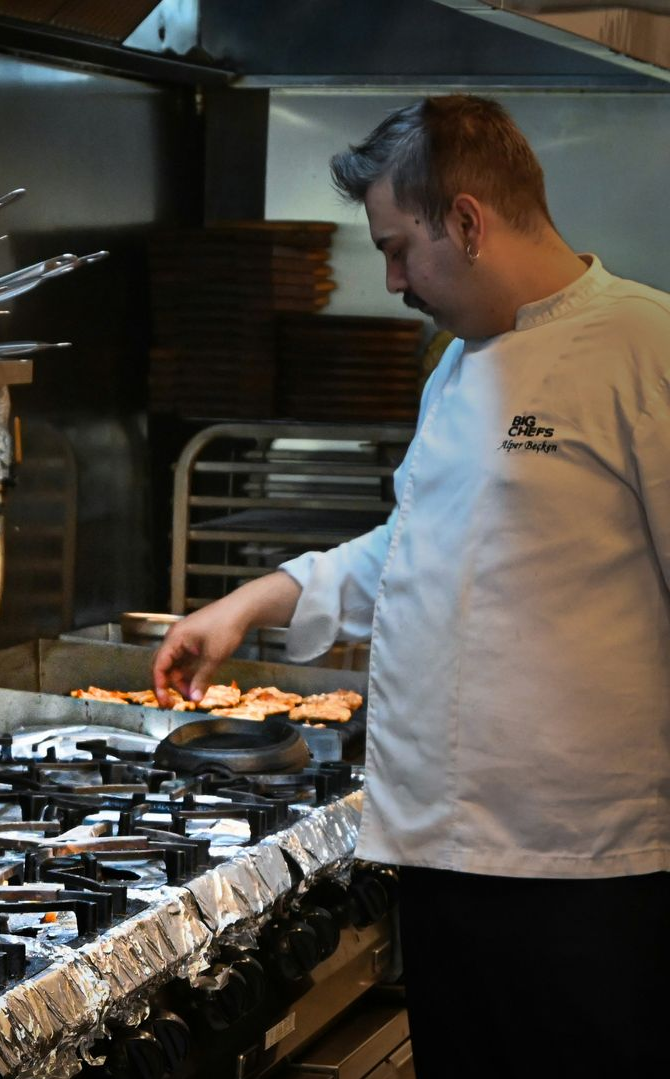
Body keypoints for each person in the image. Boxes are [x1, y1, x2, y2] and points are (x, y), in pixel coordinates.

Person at [150, 95, 669, 1078]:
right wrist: (251, 600)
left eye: (397, 249)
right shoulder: (454, 368)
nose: (389, 280)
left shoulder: (645, 348)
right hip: (443, 856)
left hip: (590, 875)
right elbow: (415, 548)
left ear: (468, 221)